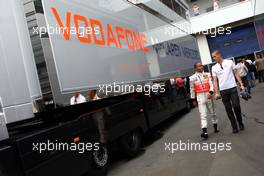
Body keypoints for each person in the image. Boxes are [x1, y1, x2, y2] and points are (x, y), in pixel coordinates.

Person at [211, 51, 245, 133]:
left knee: (236, 106)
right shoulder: (214, 68)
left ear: (219, 55)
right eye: (213, 57)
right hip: (223, 91)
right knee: (228, 109)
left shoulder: (229, 62)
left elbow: (236, 73)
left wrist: (241, 84)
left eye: (214, 56)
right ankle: (234, 126)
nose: (214, 58)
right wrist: (216, 92)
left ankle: (240, 122)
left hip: (232, 88)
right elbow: (215, 81)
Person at [190, 62, 219, 139]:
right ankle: (204, 132)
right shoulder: (192, 78)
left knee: (213, 113)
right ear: (195, 68)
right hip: (200, 97)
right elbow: (192, 89)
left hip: (209, 95)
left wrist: (211, 92)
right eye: (199, 66)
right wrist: (193, 99)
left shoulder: (207, 74)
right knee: (203, 115)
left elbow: (211, 84)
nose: (201, 67)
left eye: (201, 65)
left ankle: (215, 126)